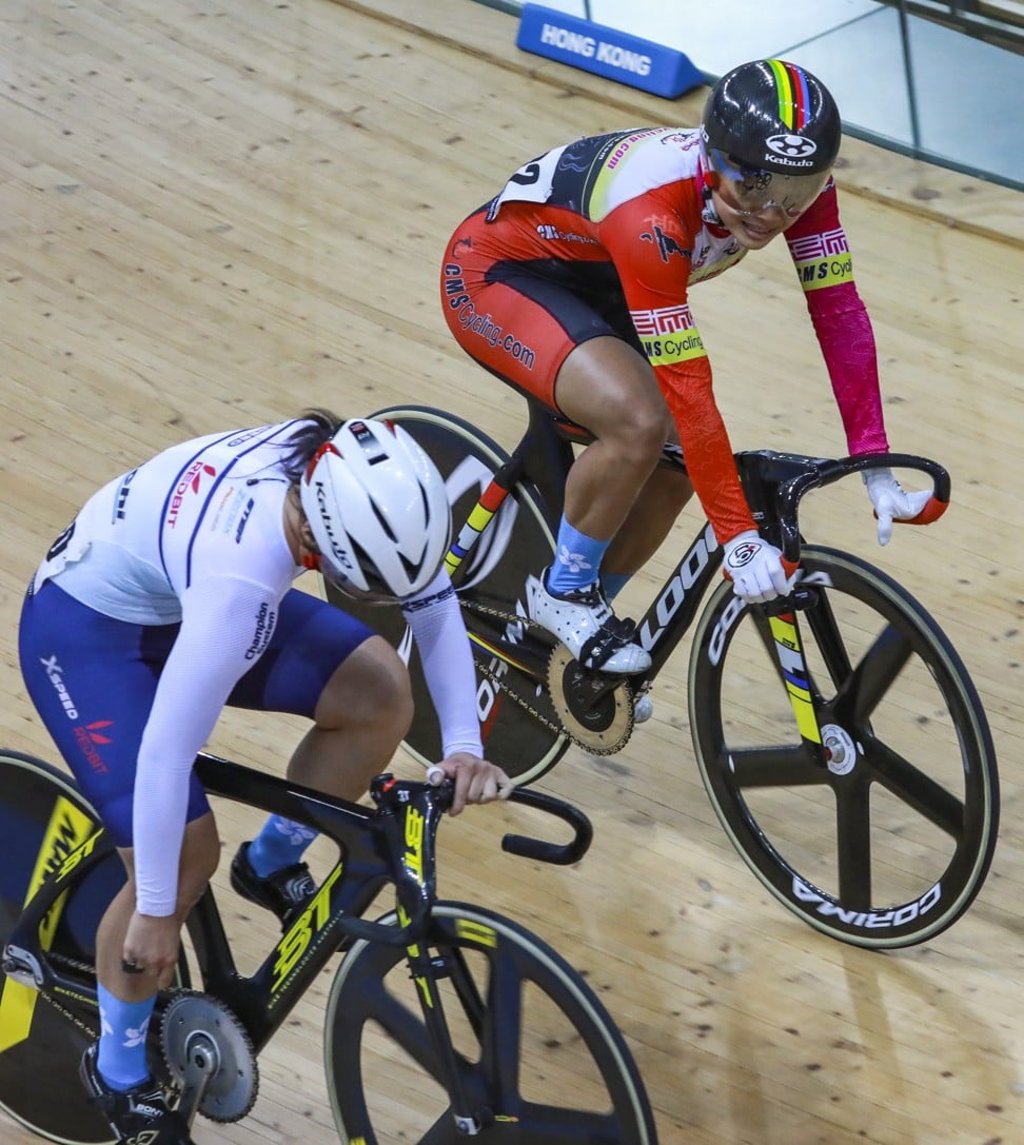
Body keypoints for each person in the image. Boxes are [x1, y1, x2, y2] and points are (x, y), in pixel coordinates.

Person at [18, 411, 511, 1145]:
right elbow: (164, 751)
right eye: (369, 586)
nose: (384, 596)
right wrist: (156, 910)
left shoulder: (353, 485)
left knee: (380, 695)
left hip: (174, 592)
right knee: (180, 859)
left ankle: (272, 859)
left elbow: (432, 602)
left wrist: (464, 743)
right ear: (322, 544)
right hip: (85, 632)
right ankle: (117, 1070)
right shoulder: (243, 574)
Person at [439, 58, 932, 684]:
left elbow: (838, 312)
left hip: (604, 286)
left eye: (794, 195)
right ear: (710, 156)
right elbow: (689, 385)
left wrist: (874, 456)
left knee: (676, 468)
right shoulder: (651, 212)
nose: (771, 213)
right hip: (500, 277)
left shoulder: (795, 187)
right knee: (641, 423)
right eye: (750, 188)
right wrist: (736, 537)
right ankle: (563, 592)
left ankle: (579, 626)